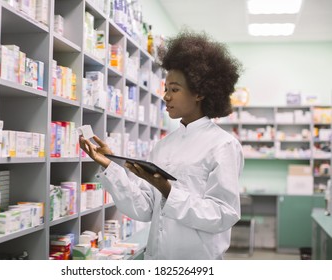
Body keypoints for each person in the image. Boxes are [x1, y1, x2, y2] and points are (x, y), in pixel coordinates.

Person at [79, 30, 244, 260]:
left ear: (199, 93)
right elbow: (145, 209)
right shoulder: (163, 146)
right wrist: (110, 166)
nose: (166, 96)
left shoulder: (223, 145)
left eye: (174, 90)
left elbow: (223, 214)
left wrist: (169, 191)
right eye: (166, 89)